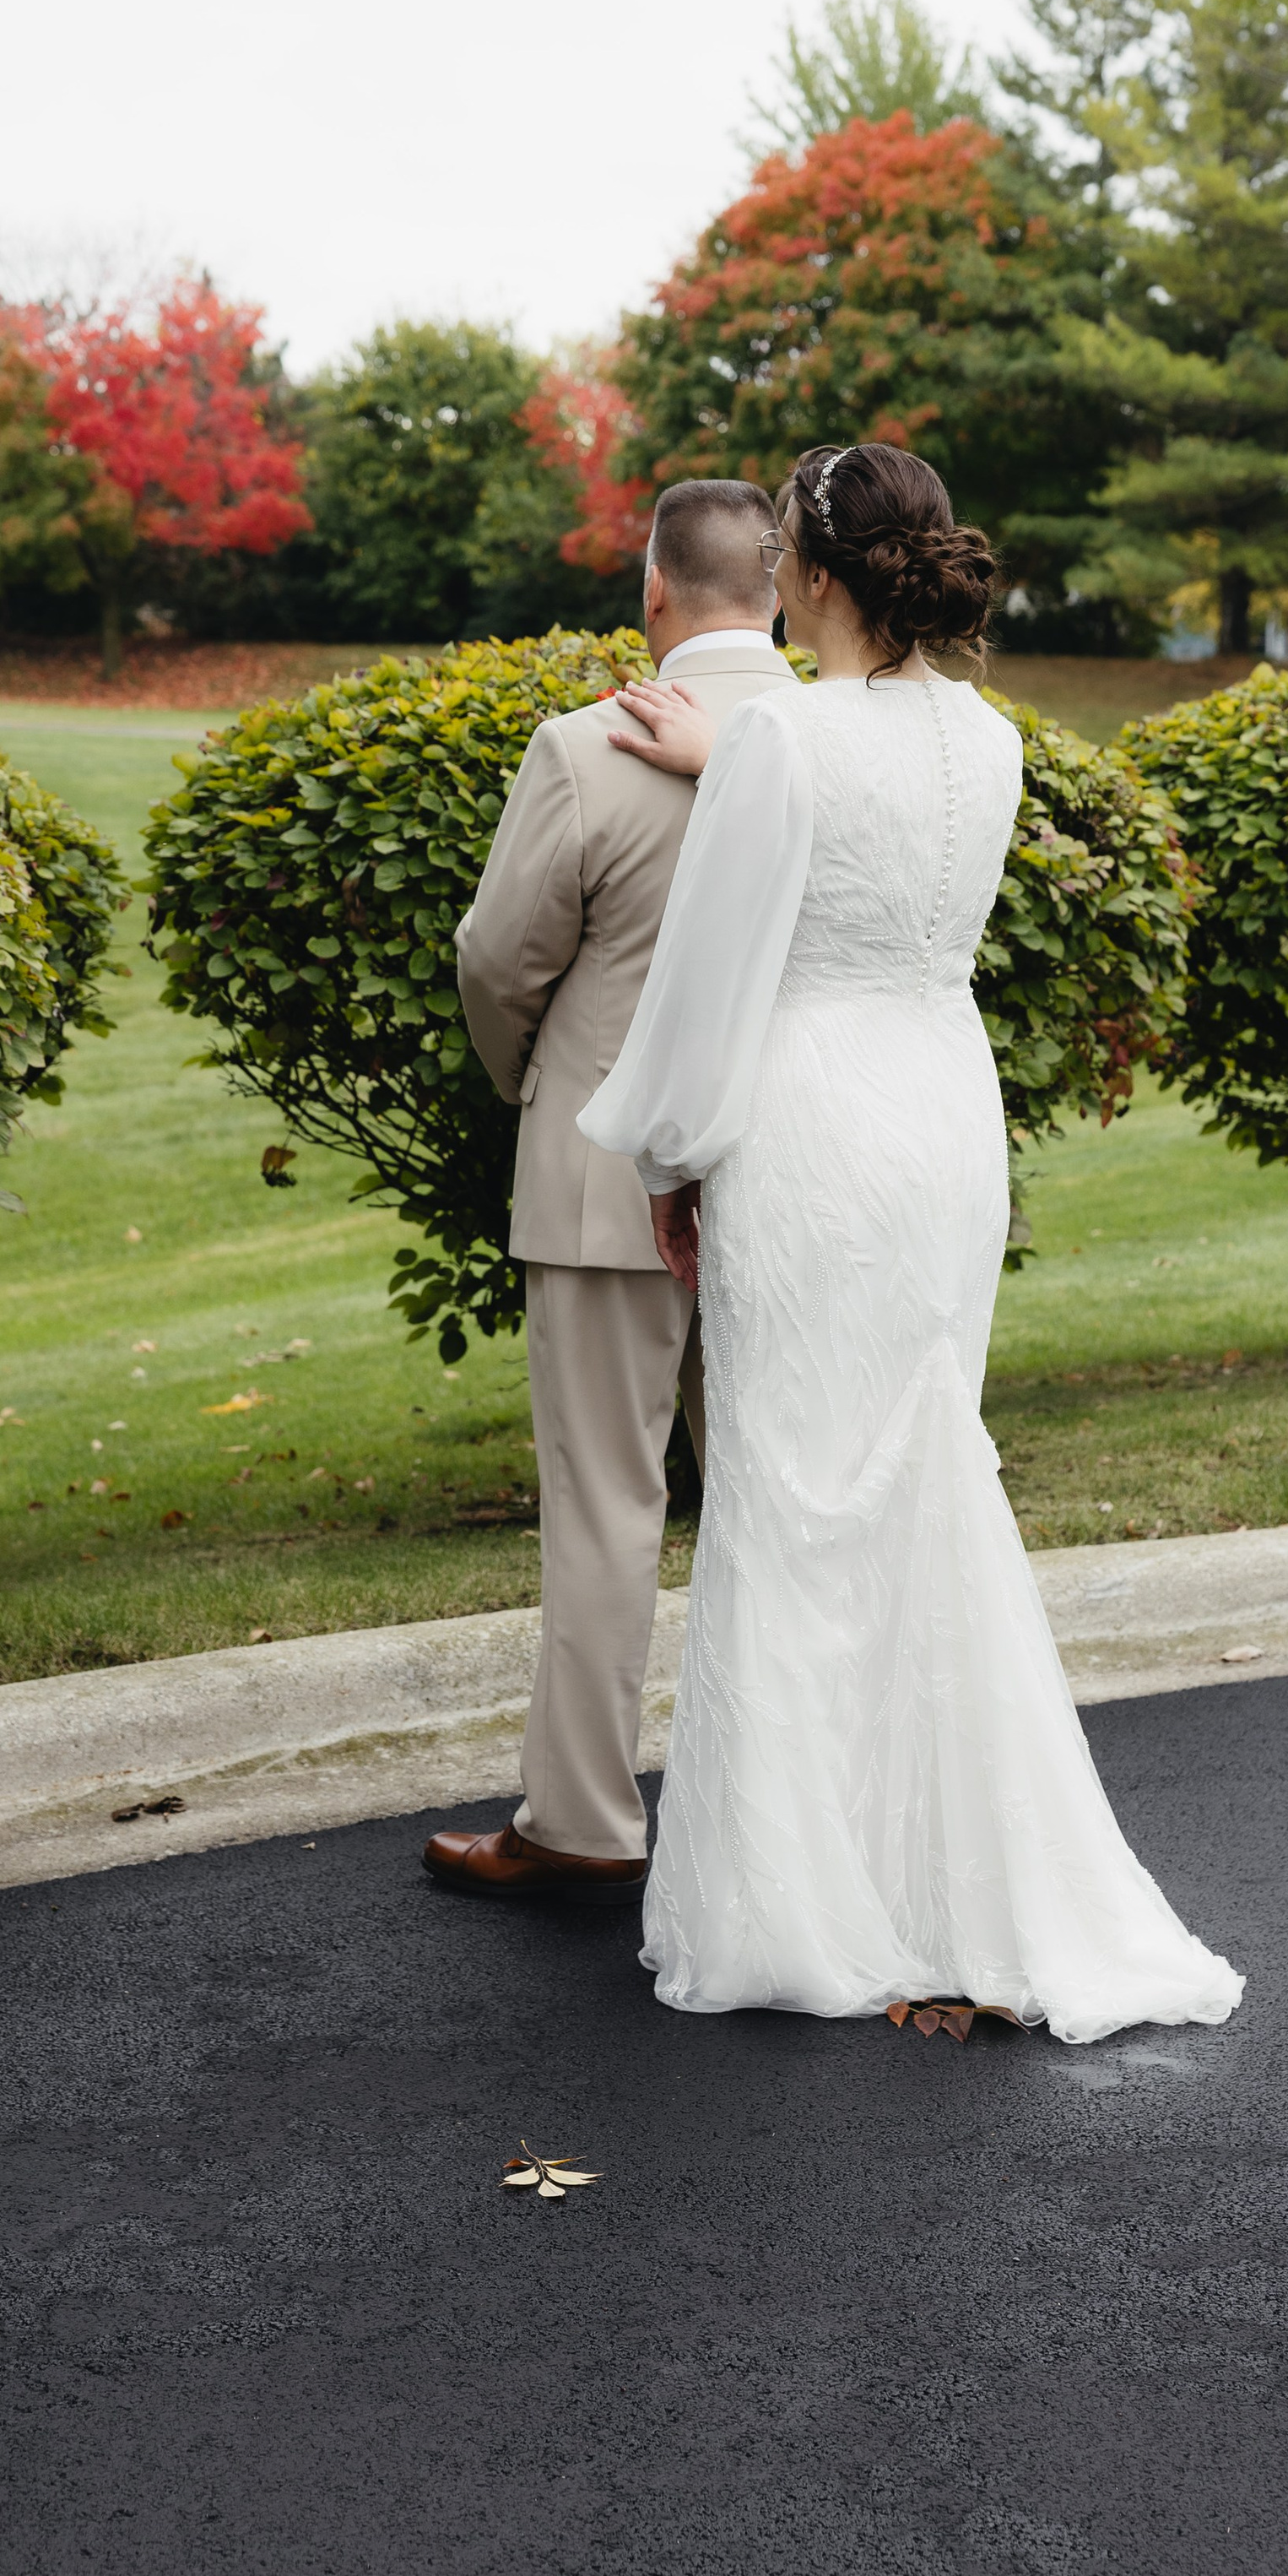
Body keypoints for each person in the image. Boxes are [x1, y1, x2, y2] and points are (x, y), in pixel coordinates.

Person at [576, 443, 1244, 2041]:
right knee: (919, 1481)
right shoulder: (991, 739)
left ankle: (809, 1903)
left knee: (796, 1499)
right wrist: (731, 764)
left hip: (808, 1128)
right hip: (943, 1121)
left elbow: (720, 973)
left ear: (804, 570)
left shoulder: (780, 742)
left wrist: (671, 1156)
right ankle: (951, 1876)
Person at [423, 479, 795, 1907]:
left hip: (599, 1180)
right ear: (777, 591)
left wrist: (539, 1084)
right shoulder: (829, 744)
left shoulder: (587, 749)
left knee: (605, 1508)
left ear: (654, 589)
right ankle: (781, 1813)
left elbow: (498, 960)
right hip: (789, 1176)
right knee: (783, 1498)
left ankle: (582, 1818)